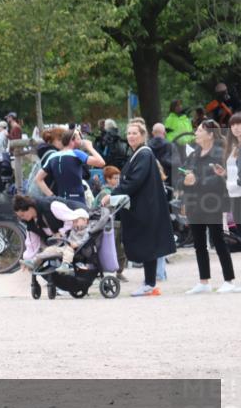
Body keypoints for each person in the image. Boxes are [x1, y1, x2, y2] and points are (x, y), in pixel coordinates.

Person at [102, 121, 176, 296]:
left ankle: (150, 283)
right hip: (143, 206)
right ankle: (149, 282)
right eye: (128, 133)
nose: (131, 136)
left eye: (135, 133)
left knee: (147, 244)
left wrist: (112, 194)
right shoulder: (138, 154)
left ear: (143, 135)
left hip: (146, 207)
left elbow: (134, 180)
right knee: (147, 244)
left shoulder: (144, 154)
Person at [181, 120, 236, 294]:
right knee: (198, 244)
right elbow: (182, 176)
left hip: (213, 203)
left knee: (218, 240)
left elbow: (221, 180)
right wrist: (185, 181)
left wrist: (196, 181)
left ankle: (229, 280)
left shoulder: (220, 153)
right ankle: (204, 281)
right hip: (194, 204)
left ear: (210, 134)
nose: (195, 133)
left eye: (198, 130)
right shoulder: (193, 154)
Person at [13, 194, 87, 294]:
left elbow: (71, 219)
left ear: (29, 208)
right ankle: (33, 262)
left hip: (77, 229)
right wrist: (27, 259)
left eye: (22, 215)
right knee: (47, 252)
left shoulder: (52, 206)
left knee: (62, 251)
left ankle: (67, 280)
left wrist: (61, 231)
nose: (22, 218)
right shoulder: (30, 223)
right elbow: (31, 245)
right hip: (59, 242)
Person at [35, 129, 105, 204]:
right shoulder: (76, 153)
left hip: (61, 200)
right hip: (77, 200)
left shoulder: (52, 156)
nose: (81, 141)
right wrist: (90, 147)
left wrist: (52, 196)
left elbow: (38, 179)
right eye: (78, 139)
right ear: (72, 141)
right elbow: (101, 163)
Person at [22, 206, 91, 275]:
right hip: (66, 247)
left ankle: (66, 265)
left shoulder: (88, 230)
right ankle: (34, 261)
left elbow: (86, 240)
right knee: (49, 249)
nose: (74, 224)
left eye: (76, 221)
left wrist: (77, 244)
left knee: (68, 250)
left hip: (78, 250)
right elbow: (68, 238)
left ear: (85, 220)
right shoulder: (74, 230)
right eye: (73, 222)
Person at [226, 114, 241, 235]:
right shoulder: (232, 146)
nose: (236, 127)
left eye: (239, 124)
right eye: (233, 125)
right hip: (233, 192)